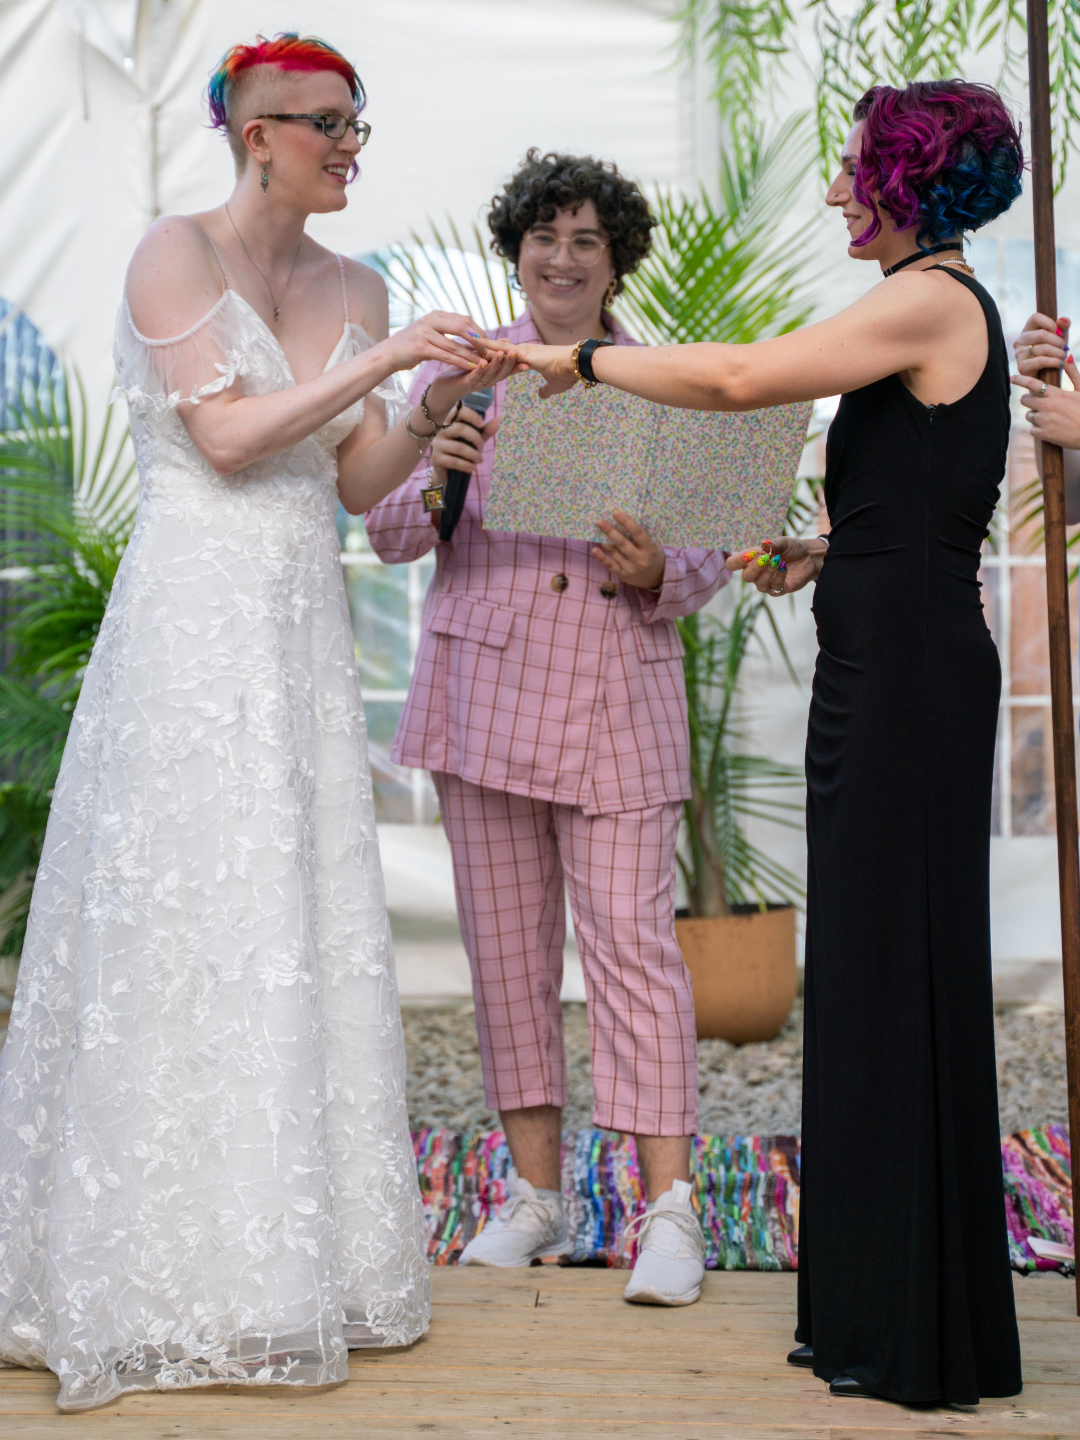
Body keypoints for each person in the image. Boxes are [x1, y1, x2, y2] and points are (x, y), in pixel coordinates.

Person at [0, 33, 516, 1411]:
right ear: (255, 133)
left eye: (359, 122)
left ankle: (297, 1267)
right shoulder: (173, 253)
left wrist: (436, 404)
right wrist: (391, 358)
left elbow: (353, 484)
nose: (353, 145)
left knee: (288, 927)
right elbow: (227, 441)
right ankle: (151, 1268)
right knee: (181, 921)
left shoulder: (361, 282)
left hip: (294, 632)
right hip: (186, 630)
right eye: (330, 124)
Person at [494, 83, 1025, 1405]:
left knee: (896, 979)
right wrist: (824, 550)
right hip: (884, 668)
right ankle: (877, 1298)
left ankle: (913, 1324)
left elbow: (737, 379)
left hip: (908, 685)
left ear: (913, 183)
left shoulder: (933, 296)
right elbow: (929, 497)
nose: (843, 191)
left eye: (859, 173)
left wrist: (588, 362)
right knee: (869, 978)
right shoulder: (933, 307)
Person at [363, 151, 728, 1305]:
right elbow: (385, 532)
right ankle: (536, 1199)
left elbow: (712, 552)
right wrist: (435, 477)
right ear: (513, 249)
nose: (561, 259)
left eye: (585, 241)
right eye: (543, 238)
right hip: (483, 702)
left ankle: (669, 1209)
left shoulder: (670, 380)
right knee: (509, 966)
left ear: (618, 259)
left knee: (634, 955)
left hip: (620, 702)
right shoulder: (469, 377)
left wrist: (660, 567)